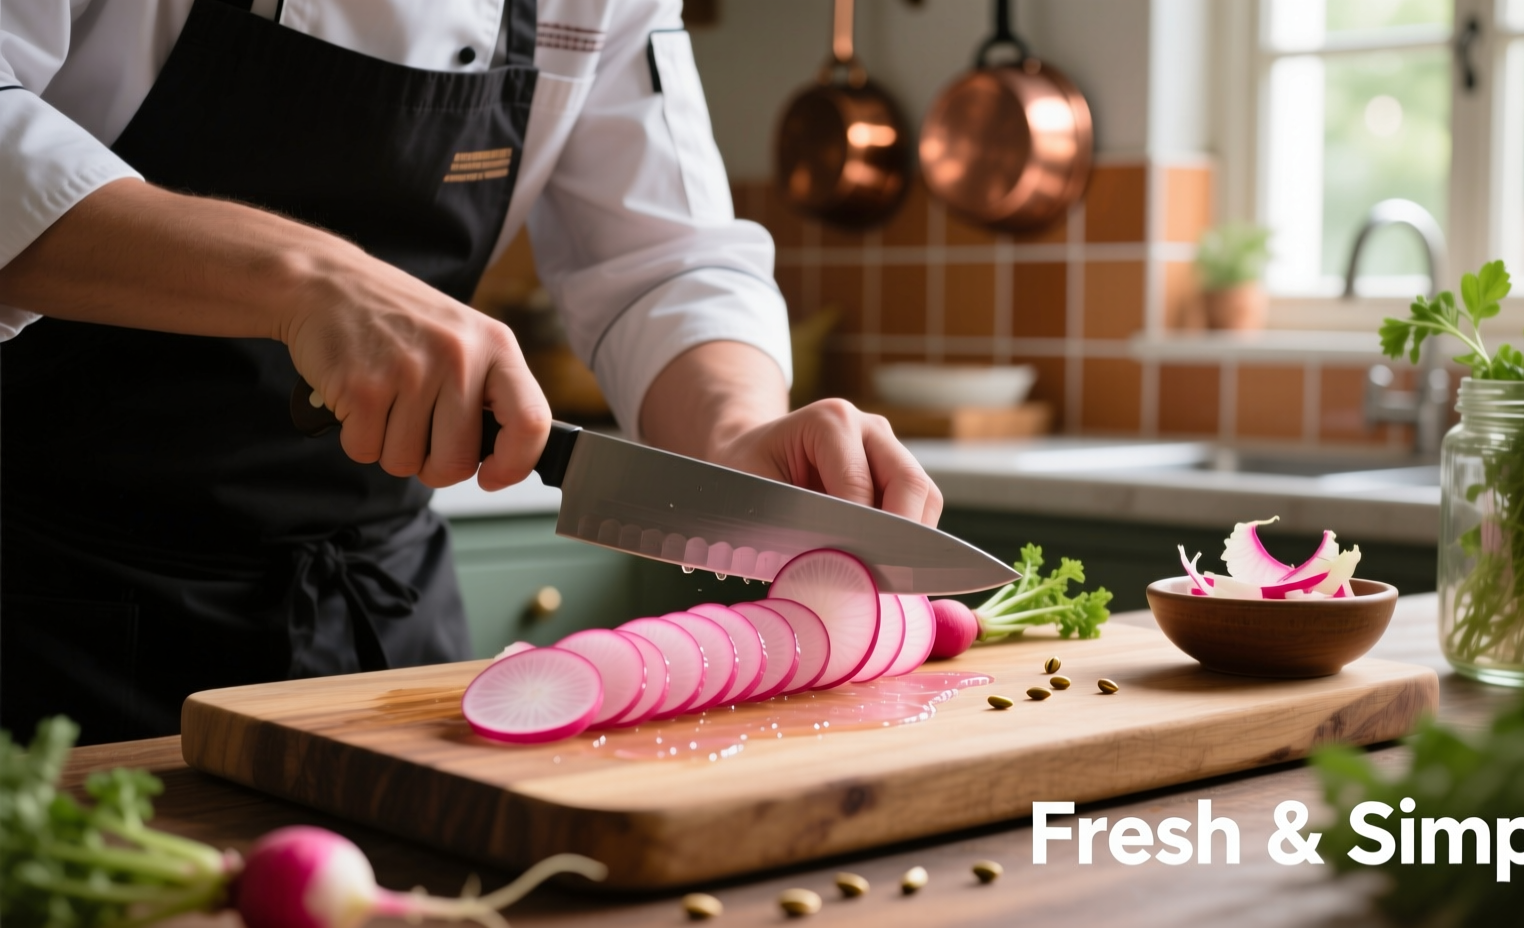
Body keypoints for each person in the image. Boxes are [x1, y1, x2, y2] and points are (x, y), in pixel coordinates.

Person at [0, 0, 943, 744]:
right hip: (46, 608)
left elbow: (665, 259)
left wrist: (734, 429)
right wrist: (307, 279)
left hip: (379, 625)